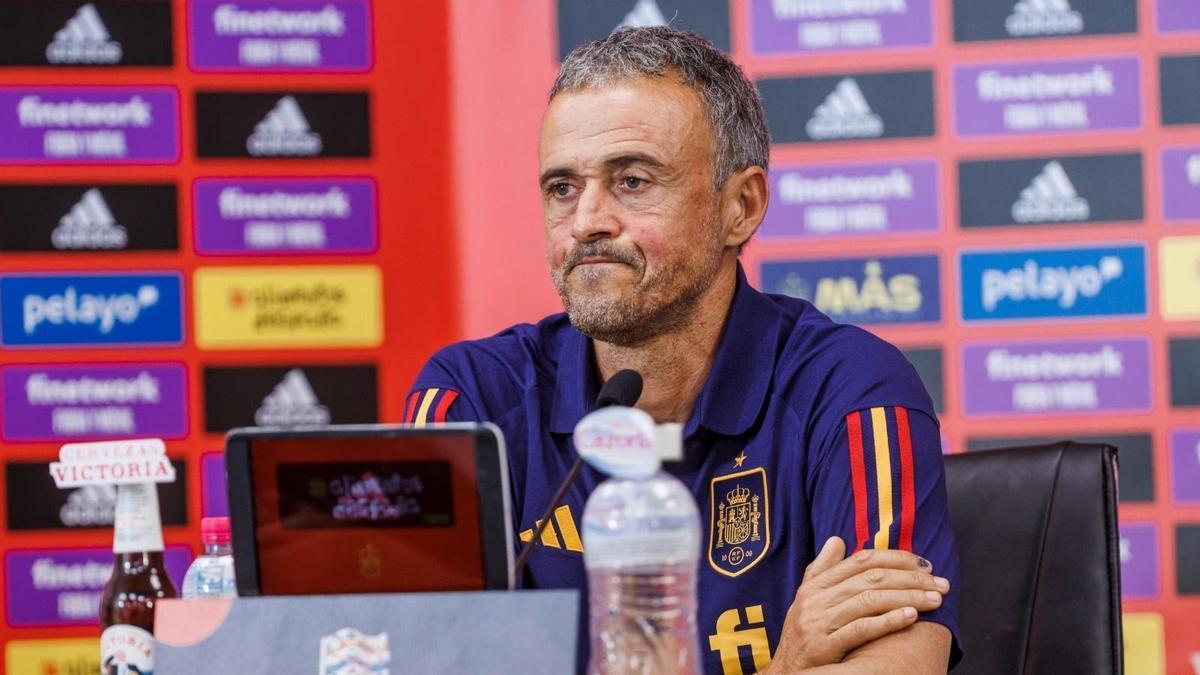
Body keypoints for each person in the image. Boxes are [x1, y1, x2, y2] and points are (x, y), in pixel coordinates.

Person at [406, 26, 960, 674]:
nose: (586, 220)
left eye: (633, 181)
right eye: (562, 188)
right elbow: (407, 652)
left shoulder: (851, 389)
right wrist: (786, 664)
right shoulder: (471, 399)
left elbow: (899, 662)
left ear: (742, 206)